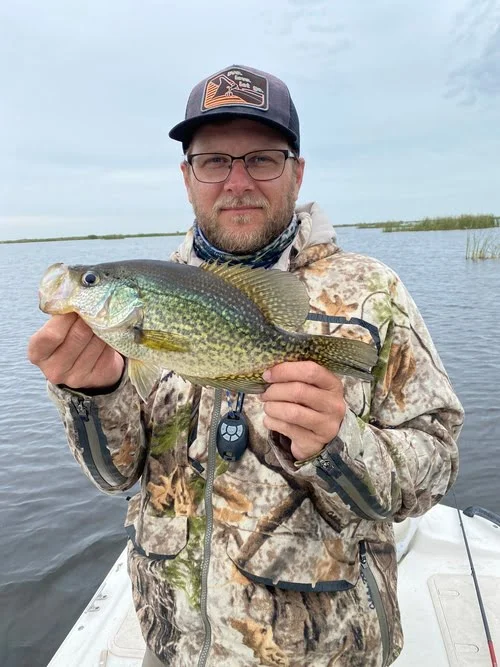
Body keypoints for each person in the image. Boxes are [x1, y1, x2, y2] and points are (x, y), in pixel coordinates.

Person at [28, 65, 463, 667]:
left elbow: (438, 464)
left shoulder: (373, 293)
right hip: (176, 647)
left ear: (297, 170)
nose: (238, 182)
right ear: (187, 177)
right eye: (213, 161)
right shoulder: (144, 297)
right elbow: (115, 475)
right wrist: (93, 393)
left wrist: (343, 442)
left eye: (262, 158)